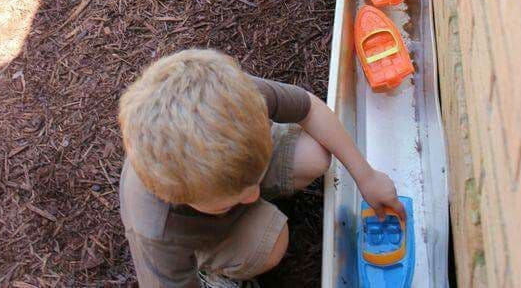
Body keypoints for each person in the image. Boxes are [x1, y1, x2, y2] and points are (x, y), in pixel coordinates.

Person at [119, 48, 405, 288]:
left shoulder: (229, 96)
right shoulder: (156, 232)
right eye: (235, 198)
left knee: (315, 155)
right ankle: (215, 271)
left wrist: (365, 175)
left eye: (254, 183)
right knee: (270, 243)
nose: (254, 196)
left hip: (214, 183)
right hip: (199, 231)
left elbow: (309, 108)